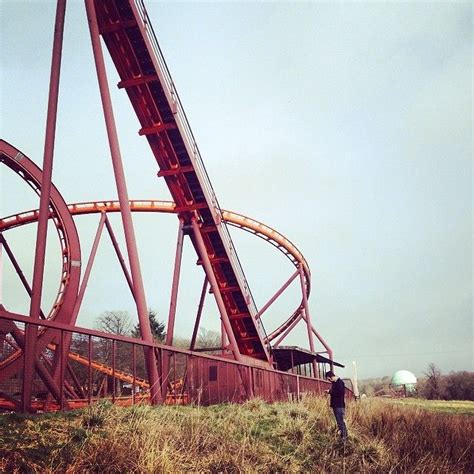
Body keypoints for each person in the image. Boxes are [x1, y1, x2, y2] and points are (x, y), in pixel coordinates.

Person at [325, 370, 347, 440]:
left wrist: (330, 392)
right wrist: (330, 392)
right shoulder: (335, 383)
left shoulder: (339, 382)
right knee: (339, 421)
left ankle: (344, 437)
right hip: (336, 406)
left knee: (340, 421)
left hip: (339, 406)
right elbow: (336, 392)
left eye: (328, 379)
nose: (329, 381)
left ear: (331, 377)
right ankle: (343, 436)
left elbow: (340, 393)